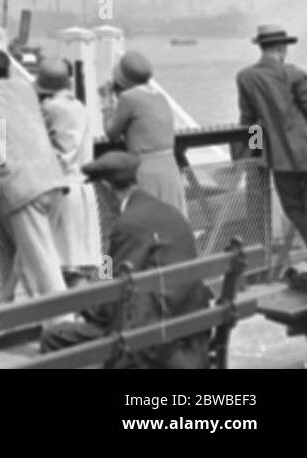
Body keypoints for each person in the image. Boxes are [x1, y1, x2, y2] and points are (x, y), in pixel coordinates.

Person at [39, 151, 211, 369]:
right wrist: (98, 278)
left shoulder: (128, 224)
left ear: (106, 188)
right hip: (187, 327)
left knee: (53, 336)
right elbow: (112, 266)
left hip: (151, 338)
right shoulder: (168, 212)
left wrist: (82, 296)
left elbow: (110, 305)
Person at [0, 48, 68, 297]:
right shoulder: (26, 89)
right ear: (9, 70)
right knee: (30, 263)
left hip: (24, 190)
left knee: (44, 271)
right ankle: (11, 312)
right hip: (54, 181)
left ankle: (66, 326)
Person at [232, 24, 307, 249]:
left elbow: (249, 122)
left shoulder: (245, 77)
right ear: (283, 48)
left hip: (280, 159)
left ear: (261, 47)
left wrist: (255, 152)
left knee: (294, 210)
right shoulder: (295, 74)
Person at [35, 57, 101, 284]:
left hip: (62, 191)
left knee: (60, 269)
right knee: (81, 267)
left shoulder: (49, 109)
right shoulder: (79, 107)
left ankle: (68, 316)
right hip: (84, 191)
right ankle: (85, 314)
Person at [104, 50, 186, 216]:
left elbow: (111, 132)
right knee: (171, 220)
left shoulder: (128, 98)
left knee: (147, 221)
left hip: (146, 171)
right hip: (170, 168)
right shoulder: (160, 97)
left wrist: (107, 103)